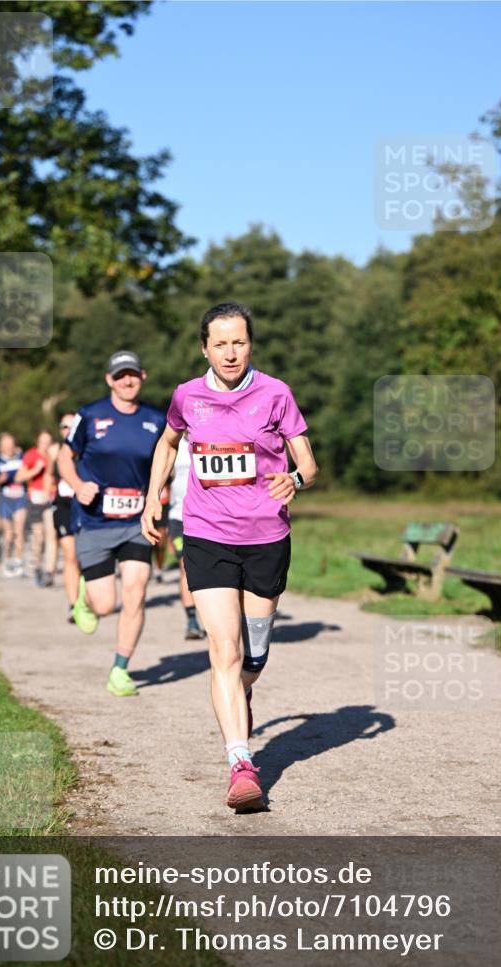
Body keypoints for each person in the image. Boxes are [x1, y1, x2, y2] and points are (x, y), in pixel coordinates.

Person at [142, 302, 318, 812]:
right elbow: (168, 443)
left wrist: (297, 479)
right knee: (224, 649)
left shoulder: (276, 393)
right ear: (205, 348)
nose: (230, 352)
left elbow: (307, 459)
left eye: (238, 341)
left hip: (266, 537)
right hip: (206, 533)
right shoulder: (186, 397)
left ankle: (240, 697)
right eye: (220, 343)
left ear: (250, 344)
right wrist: (154, 494)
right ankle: (241, 763)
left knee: (253, 658)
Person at [57, 350, 166, 695]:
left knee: (136, 589)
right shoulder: (89, 415)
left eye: (132, 374)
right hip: (96, 521)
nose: (127, 380)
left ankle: (120, 668)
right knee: (105, 604)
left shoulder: (156, 419)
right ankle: (83, 601)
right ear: (109, 380)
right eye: (120, 376)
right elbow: (64, 456)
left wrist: (157, 498)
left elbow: (166, 462)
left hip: (136, 520)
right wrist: (77, 485)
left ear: (143, 376)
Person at [167, 435, 206, 640]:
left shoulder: (209, 440)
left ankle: (214, 618)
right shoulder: (171, 444)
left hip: (207, 516)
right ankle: (192, 620)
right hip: (178, 516)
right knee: (185, 565)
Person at [49, 413, 81, 622]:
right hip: (63, 505)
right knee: (69, 554)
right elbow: (48, 477)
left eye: (71, 426)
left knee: (85, 555)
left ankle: (88, 597)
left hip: (85, 505)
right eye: (63, 426)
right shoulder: (55, 451)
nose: (67, 430)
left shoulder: (88, 449)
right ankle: (73, 604)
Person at [16, 430, 57, 587]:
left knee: (51, 535)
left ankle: (49, 571)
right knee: (38, 537)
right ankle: (38, 566)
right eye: (43, 442)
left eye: (48, 442)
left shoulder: (54, 455)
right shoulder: (31, 455)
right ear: (38, 442)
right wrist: (35, 470)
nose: (45, 445)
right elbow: (18, 477)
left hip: (51, 498)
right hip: (35, 499)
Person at [0, 433, 27, 576]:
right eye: (6, 444)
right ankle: (8, 559)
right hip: (5, 500)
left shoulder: (22, 457)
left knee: (19, 530)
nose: (9, 447)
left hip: (20, 498)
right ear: (2, 446)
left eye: (11, 444)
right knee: (9, 534)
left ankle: (18, 561)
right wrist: (0, 479)